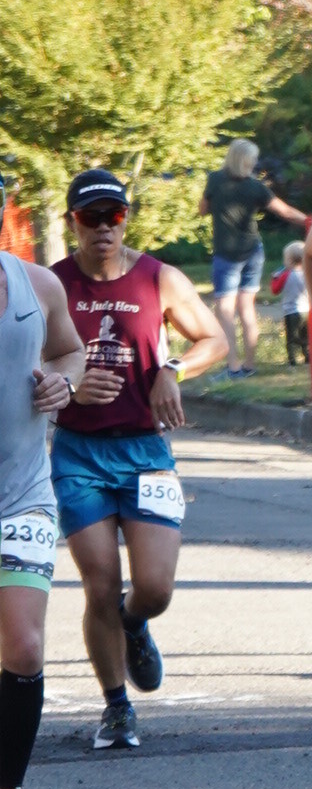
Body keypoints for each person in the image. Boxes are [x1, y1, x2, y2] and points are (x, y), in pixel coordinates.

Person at [51, 166, 227, 752]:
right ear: (72, 222)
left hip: (145, 451)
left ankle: (134, 624)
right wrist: (68, 385)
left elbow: (215, 339)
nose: (103, 228)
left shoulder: (159, 278)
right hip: (78, 453)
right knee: (100, 583)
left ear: (126, 220)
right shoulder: (52, 285)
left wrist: (173, 369)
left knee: (153, 588)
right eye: (91, 217)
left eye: (114, 216)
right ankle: (116, 707)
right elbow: (25, 358)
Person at [0, 184, 87, 789]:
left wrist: (63, 381)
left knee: (24, 647)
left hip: (22, 494)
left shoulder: (37, 285)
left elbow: (68, 351)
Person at [200, 137, 308, 376]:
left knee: (225, 310)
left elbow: (202, 209)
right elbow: (285, 212)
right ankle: (249, 365)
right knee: (247, 308)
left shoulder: (215, 180)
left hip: (226, 254)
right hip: (252, 251)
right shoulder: (255, 187)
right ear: (247, 161)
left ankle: (233, 366)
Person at [275, 240, 311, 366]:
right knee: (305, 335)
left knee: (291, 337)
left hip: (291, 311)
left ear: (289, 260)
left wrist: (274, 278)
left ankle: (292, 360)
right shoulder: (308, 274)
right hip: (306, 310)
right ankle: (307, 357)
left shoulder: (285, 275)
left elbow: (275, 290)